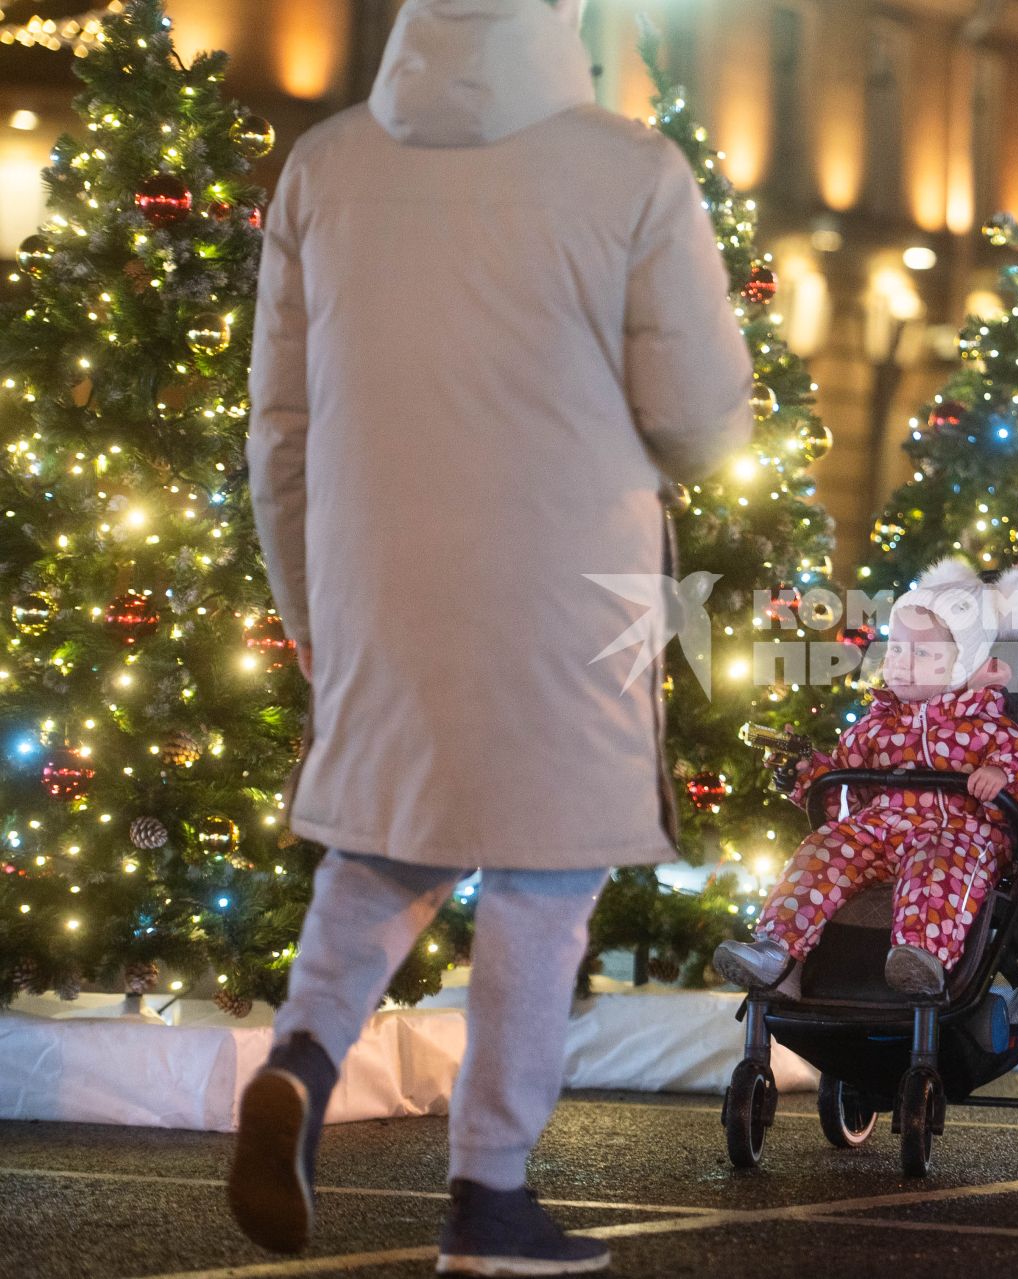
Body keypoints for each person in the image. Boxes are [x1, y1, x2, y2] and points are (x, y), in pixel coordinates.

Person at [229, 0, 753, 1273]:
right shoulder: (628, 169)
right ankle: (490, 1194)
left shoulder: (326, 166)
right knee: (542, 880)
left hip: (374, 581)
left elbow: (278, 428)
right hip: (563, 587)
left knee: (380, 842)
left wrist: (311, 608)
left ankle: (304, 1053)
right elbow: (697, 419)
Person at [715, 561, 1018, 999]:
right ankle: (776, 949)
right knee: (824, 848)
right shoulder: (876, 726)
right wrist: (809, 774)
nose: (901, 662)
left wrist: (1002, 775)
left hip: (955, 835)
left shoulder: (991, 729)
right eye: (896, 647)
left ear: (964, 662)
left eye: (922, 653)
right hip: (878, 832)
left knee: (939, 865)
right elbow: (842, 795)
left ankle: (919, 954)